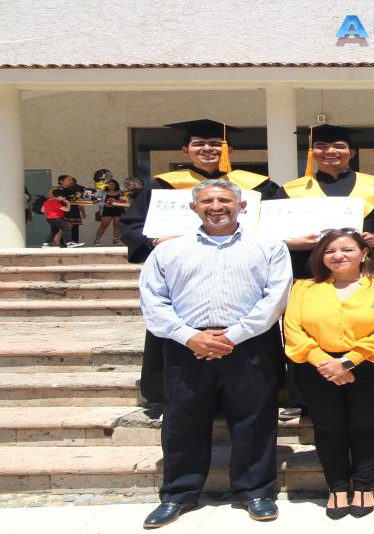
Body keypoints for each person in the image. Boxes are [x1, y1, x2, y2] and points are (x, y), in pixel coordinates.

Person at [137, 180, 292, 528]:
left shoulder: (269, 246)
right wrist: (189, 336)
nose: (217, 206)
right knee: (182, 420)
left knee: (254, 419)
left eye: (225, 199)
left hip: (250, 344)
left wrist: (233, 336)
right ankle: (179, 493)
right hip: (186, 346)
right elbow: (153, 300)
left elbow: (275, 298)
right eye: (207, 200)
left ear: (242, 206)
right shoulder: (167, 251)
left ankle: (256, 491)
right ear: (194, 208)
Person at [120, 119, 280, 408]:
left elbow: (278, 223)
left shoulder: (258, 186)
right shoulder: (162, 186)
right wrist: (156, 242)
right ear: (185, 150)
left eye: (216, 143)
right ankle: (166, 394)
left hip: (242, 275)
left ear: (228, 149)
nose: (208, 148)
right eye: (199, 143)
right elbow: (131, 227)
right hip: (188, 281)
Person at [283, 229, 374, 519]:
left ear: (364, 253)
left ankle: (364, 485)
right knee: (328, 428)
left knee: (366, 425)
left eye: (347, 249)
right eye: (329, 251)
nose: (338, 256)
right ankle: (337, 487)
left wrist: (348, 362)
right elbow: (293, 329)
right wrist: (325, 362)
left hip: (369, 367)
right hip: (317, 368)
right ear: (320, 257)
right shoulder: (303, 288)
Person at [277, 124, 374, 277]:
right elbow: (273, 232)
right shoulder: (291, 190)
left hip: (366, 271)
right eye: (321, 146)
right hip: (309, 272)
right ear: (312, 153)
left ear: (352, 153)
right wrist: (290, 243)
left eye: (339, 146)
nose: (330, 151)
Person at [93, 178, 125, 245]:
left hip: (118, 209)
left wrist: (118, 201)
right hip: (107, 209)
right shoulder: (102, 191)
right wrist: (105, 204)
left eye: (113, 184)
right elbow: (97, 200)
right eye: (109, 184)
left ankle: (116, 239)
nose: (111, 186)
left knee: (117, 224)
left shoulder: (120, 191)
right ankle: (97, 239)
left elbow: (124, 200)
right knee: (104, 224)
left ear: (116, 185)